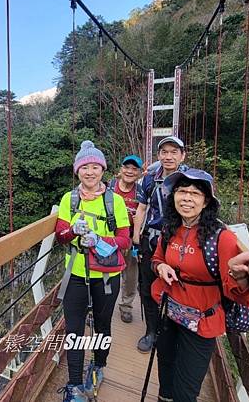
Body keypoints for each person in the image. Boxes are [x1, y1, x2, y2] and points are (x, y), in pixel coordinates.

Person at [151, 168, 249, 402]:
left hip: (201, 322)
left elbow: (239, 294)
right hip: (169, 310)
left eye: (194, 193)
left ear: (206, 201)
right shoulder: (169, 228)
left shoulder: (221, 237)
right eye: (182, 191)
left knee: (185, 390)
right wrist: (161, 268)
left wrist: (239, 275)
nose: (186, 198)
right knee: (165, 368)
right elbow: (157, 259)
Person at [55, 140, 131, 401]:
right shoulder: (70, 199)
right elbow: (61, 235)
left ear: (103, 170)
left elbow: (125, 239)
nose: (90, 172)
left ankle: (98, 366)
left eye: (95, 167)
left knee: (102, 325)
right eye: (84, 167)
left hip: (106, 276)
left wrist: (100, 241)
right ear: (77, 171)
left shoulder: (115, 201)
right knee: (73, 331)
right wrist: (73, 231)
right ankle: (74, 386)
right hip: (75, 274)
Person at [133, 136, 188, 353]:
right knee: (148, 287)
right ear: (158, 155)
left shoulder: (189, 180)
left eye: (174, 151)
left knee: (178, 288)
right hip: (152, 239)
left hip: (179, 242)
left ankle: (173, 333)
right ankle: (151, 331)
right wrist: (136, 239)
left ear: (182, 155)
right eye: (164, 152)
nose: (168, 156)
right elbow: (141, 209)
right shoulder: (148, 180)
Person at [108, 154, 144, 323]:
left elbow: (144, 213)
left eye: (134, 169)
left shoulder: (141, 191)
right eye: (126, 167)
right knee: (104, 273)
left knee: (130, 275)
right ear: (120, 169)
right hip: (109, 237)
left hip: (130, 238)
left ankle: (126, 307)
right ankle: (99, 306)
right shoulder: (109, 186)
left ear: (139, 173)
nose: (129, 171)